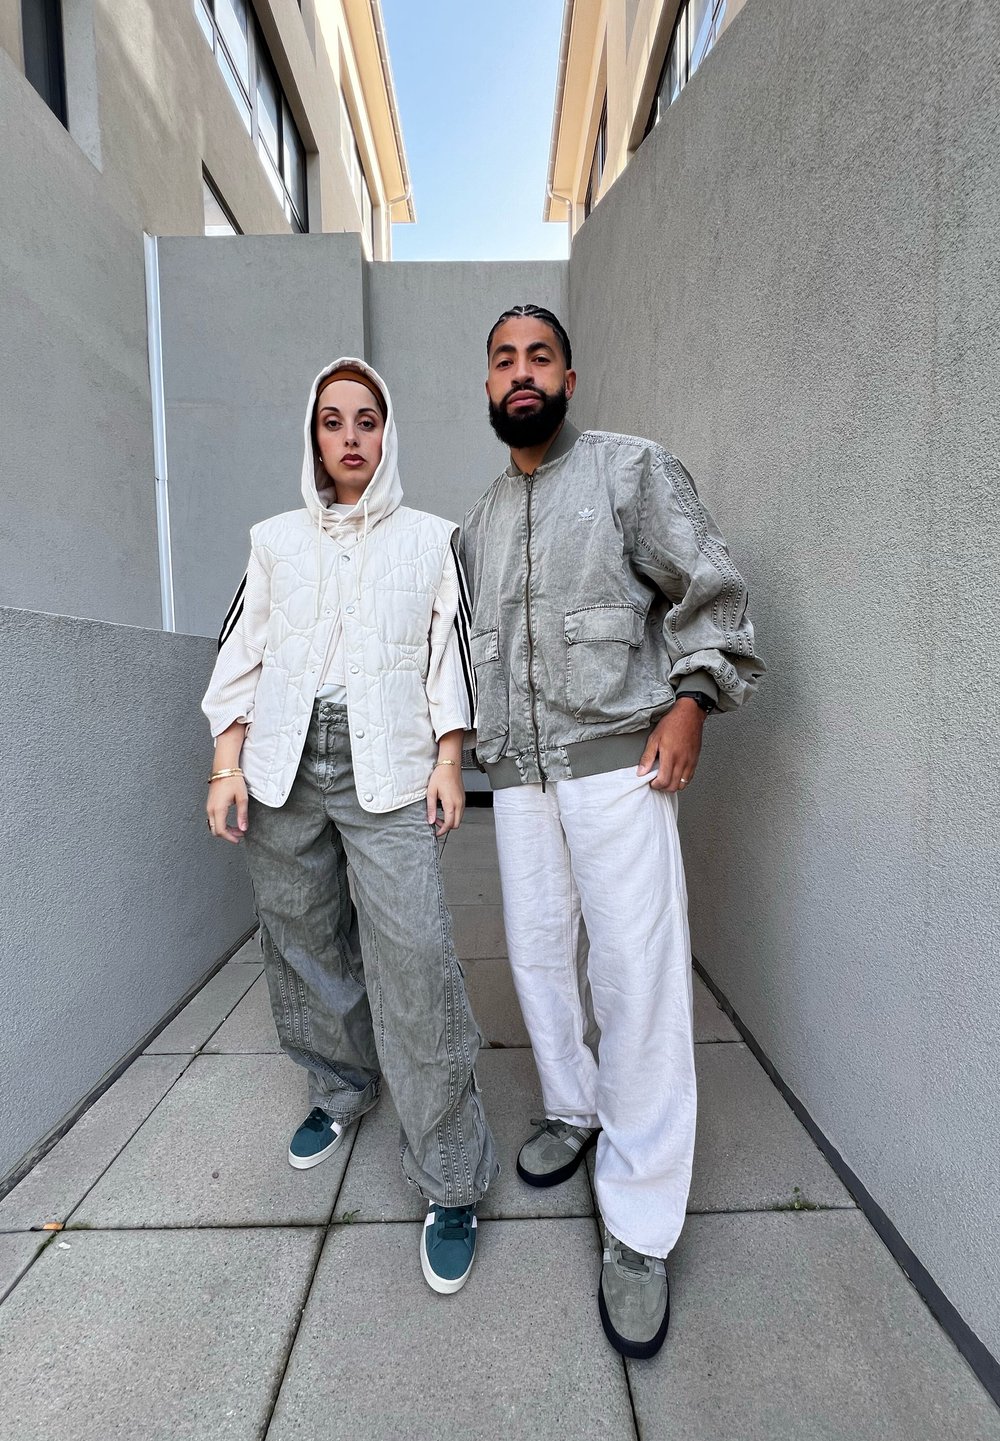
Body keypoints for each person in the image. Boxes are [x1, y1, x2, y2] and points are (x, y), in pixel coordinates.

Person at [461, 306, 763, 1357]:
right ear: (488, 386)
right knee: (540, 959)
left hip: (618, 767)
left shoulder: (631, 470)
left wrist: (692, 702)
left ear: (569, 377)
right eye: (504, 360)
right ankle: (572, 1107)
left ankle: (638, 1221)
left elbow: (709, 591)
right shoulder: (481, 519)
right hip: (519, 779)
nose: (522, 372)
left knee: (635, 980)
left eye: (539, 356)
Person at [203, 358, 497, 1295]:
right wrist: (226, 763)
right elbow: (241, 650)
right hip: (283, 760)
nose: (350, 437)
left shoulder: (432, 539)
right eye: (333, 421)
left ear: (387, 430)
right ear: (314, 436)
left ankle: (450, 1173)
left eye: (366, 419)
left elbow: (449, 656)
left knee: (414, 955)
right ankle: (341, 1085)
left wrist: (449, 759)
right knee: (301, 935)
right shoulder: (274, 540)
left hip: (392, 762)